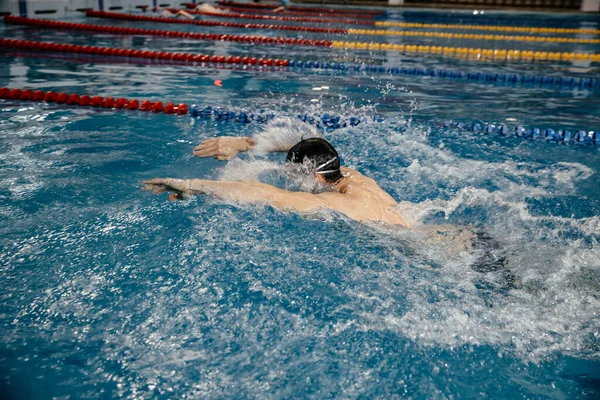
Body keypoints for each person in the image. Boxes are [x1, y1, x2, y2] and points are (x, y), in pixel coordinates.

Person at [142, 131, 517, 288]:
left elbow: (258, 193)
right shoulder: (354, 178)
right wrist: (244, 143)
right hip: (464, 237)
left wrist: (190, 185)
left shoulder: (330, 202)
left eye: (295, 175)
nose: (292, 181)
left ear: (312, 177)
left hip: (443, 257)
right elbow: (313, 144)